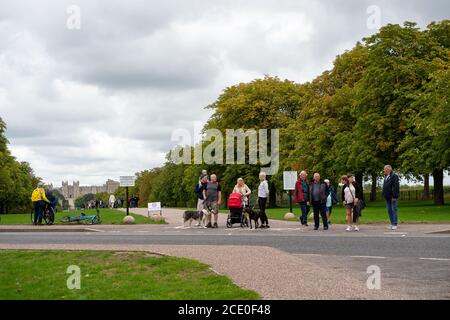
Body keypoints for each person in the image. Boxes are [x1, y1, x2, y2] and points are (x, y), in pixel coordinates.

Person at [383, 165, 400, 230]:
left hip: (393, 197)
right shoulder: (386, 176)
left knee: (394, 210)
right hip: (387, 197)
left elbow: (396, 187)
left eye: (384, 169)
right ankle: (392, 223)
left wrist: (394, 196)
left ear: (388, 169)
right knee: (389, 210)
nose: (384, 170)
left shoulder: (394, 176)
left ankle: (395, 224)